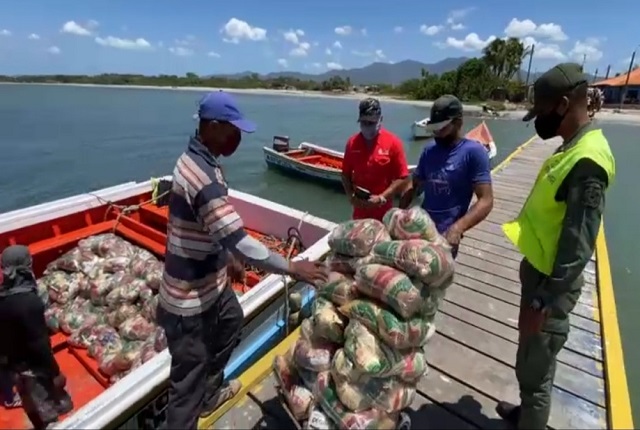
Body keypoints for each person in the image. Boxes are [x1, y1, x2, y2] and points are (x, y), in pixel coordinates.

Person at [158, 91, 328, 430]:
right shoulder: (201, 176)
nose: (237, 138)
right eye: (233, 130)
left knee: (232, 319)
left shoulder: (204, 160)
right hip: (188, 301)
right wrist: (293, 267)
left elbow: (214, 228)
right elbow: (244, 242)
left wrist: (226, 254)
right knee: (184, 391)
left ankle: (209, 390)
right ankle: (195, 400)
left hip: (211, 283)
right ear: (214, 126)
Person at [498, 63, 615, 429]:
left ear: (564, 105)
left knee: (537, 370)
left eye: (543, 112)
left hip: (549, 288)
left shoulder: (587, 162)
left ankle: (530, 418)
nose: (539, 121)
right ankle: (526, 414)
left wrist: (542, 301)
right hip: (539, 276)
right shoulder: (573, 144)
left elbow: (578, 246)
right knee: (531, 360)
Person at [399, 95, 494, 258]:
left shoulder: (474, 153)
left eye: (442, 128)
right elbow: (413, 185)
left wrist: (458, 228)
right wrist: (398, 214)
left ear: (458, 123)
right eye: (434, 129)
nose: (437, 134)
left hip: (446, 236)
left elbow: (486, 200)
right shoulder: (429, 151)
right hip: (420, 229)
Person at [0, 245, 73, 429]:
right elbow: (39, 344)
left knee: (30, 407)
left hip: (15, 369)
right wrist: (55, 372)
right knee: (49, 414)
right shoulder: (29, 303)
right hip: (35, 371)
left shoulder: (4, 297)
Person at [341, 98, 410, 221]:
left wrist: (382, 197)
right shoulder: (352, 143)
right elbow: (345, 174)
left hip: (383, 212)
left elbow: (403, 177)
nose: (367, 126)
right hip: (359, 212)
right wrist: (350, 196)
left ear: (380, 120)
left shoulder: (393, 143)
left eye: (371, 123)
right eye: (364, 122)